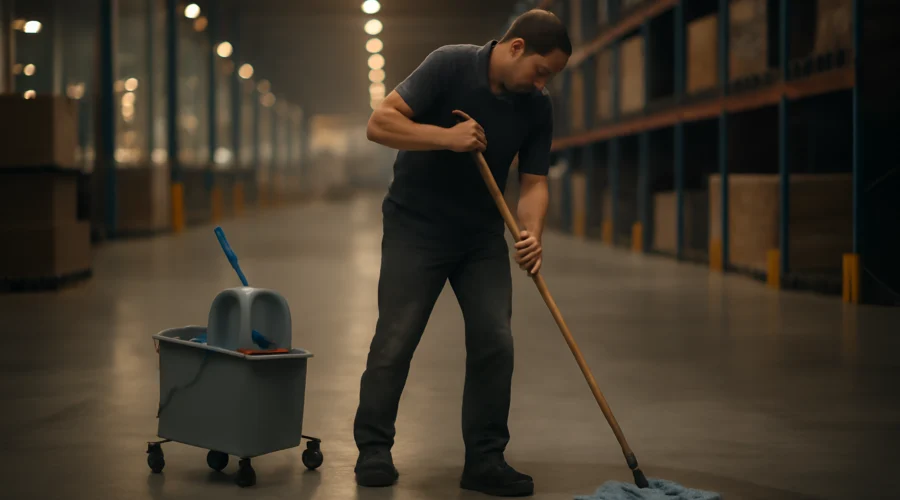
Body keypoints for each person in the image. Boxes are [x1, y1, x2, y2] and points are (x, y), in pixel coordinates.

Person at [353, 8, 571, 498]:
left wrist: (531, 232)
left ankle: (486, 460)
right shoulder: (449, 65)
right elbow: (379, 123)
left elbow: (535, 183)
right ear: (516, 48)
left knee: (496, 339)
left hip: (480, 238)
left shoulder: (537, 107)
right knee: (396, 338)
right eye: (541, 71)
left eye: (549, 78)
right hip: (417, 227)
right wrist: (446, 139)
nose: (541, 84)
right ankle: (373, 449)